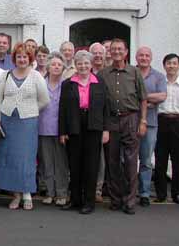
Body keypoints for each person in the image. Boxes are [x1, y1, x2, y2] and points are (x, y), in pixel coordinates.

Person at [0, 42, 50, 210]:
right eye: (19, 57)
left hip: (27, 123)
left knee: (26, 158)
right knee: (9, 158)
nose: (22, 59)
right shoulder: (6, 75)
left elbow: (45, 100)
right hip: (7, 120)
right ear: (14, 59)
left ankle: (26, 193)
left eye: (25, 56)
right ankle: (15, 195)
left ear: (30, 59)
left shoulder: (36, 76)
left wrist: (32, 109)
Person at [99, 38, 148, 215]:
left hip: (131, 119)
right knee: (112, 162)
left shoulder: (134, 72)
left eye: (120, 49)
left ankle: (129, 200)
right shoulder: (103, 74)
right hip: (111, 121)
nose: (117, 52)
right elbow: (100, 102)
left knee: (130, 161)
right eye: (114, 49)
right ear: (109, 52)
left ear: (126, 52)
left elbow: (143, 98)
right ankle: (115, 198)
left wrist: (143, 121)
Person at [59, 50, 110, 214]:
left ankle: (89, 202)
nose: (83, 66)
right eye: (80, 63)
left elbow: (106, 108)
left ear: (91, 64)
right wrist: (62, 131)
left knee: (91, 165)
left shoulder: (100, 82)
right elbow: (62, 109)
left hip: (93, 126)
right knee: (74, 165)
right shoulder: (68, 83)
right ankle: (75, 200)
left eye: (86, 63)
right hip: (74, 125)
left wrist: (106, 130)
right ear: (75, 65)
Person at [135, 46, 167, 207]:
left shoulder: (159, 77)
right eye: (141, 55)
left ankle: (144, 193)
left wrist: (142, 97)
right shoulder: (130, 73)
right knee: (128, 159)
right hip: (131, 122)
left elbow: (162, 96)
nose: (144, 58)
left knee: (146, 160)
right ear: (136, 57)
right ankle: (129, 191)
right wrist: (148, 101)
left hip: (151, 123)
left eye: (147, 55)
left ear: (151, 58)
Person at [155, 53, 179, 205]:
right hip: (161, 121)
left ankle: (178, 193)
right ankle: (161, 193)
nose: (171, 66)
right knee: (160, 159)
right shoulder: (160, 82)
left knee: (178, 159)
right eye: (169, 63)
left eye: (174, 63)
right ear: (164, 65)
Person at [37, 52, 68, 206]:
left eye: (59, 65)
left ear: (63, 68)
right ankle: (49, 192)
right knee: (46, 162)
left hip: (60, 130)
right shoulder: (40, 83)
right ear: (48, 67)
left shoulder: (67, 85)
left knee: (61, 163)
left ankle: (62, 193)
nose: (56, 67)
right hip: (43, 128)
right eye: (53, 64)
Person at [89, 41, 108, 202]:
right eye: (94, 53)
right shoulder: (85, 72)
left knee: (104, 158)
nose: (97, 55)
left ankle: (99, 188)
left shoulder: (108, 73)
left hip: (106, 121)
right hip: (88, 121)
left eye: (100, 52)